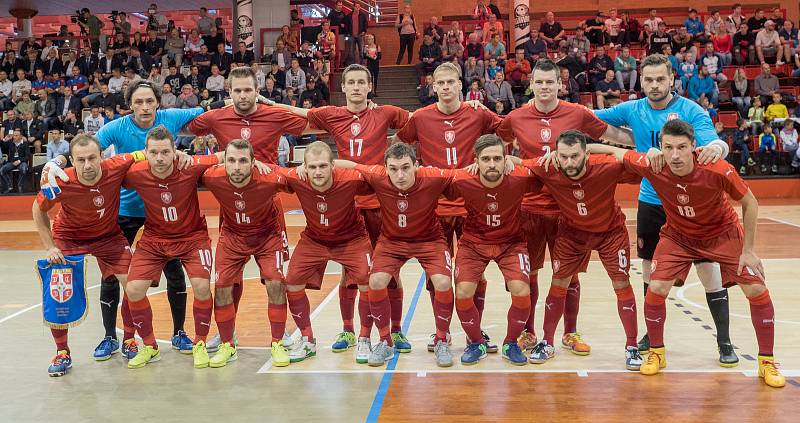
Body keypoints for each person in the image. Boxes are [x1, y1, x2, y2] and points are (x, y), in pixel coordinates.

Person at [590, 119, 785, 388]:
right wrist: (568, 150)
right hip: (678, 236)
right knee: (656, 287)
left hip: (722, 233)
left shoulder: (716, 168)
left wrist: (749, 250)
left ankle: (767, 362)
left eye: (682, 147)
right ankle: (657, 353)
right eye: (668, 147)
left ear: (694, 146)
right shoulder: (654, 164)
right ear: (659, 148)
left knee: (756, 290)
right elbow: (615, 152)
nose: (675, 154)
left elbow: (750, 202)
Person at [593, 54, 735, 363]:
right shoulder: (632, 109)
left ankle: (724, 341)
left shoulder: (691, 111)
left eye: (660, 79)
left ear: (672, 79)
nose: (655, 85)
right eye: (648, 80)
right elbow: (590, 117)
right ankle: (651, 334)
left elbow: (714, 144)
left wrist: (716, 148)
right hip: (652, 201)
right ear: (640, 81)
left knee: (708, 271)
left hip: (692, 205)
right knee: (649, 270)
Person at [270, 64, 413, 354]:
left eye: (362, 82)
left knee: (389, 272)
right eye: (352, 82)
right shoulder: (333, 115)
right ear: (343, 87)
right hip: (348, 201)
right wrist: (270, 103)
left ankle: (395, 330)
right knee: (352, 274)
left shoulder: (384, 112)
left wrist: (395, 143)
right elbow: (301, 114)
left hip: (381, 203)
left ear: (369, 86)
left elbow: (420, 120)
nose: (357, 87)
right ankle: (350, 331)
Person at [497, 58, 633, 353]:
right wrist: (504, 156)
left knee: (568, 276)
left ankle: (569, 333)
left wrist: (651, 140)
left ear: (560, 85)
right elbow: (495, 140)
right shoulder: (516, 117)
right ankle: (528, 332)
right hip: (530, 208)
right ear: (531, 85)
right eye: (540, 82)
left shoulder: (578, 113)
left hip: (567, 210)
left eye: (551, 82)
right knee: (529, 274)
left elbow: (613, 135)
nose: (545, 87)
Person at [508, 130, 643, 369]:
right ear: (555, 155)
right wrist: (508, 158)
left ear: (586, 154)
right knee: (559, 282)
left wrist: (619, 150)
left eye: (574, 156)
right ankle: (547, 342)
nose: (569, 162)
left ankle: (631, 347)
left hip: (610, 233)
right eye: (563, 157)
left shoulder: (607, 166)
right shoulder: (549, 166)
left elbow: (643, 163)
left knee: (621, 285)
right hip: (572, 235)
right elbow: (519, 162)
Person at [394, 62, 503, 352]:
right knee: (436, 275)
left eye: (450, 82)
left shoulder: (478, 113)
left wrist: (506, 158)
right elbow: (398, 145)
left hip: (472, 207)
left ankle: (474, 332)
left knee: (475, 274)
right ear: (433, 87)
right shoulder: (420, 118)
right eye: (439, 83)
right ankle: (441, 331)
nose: (444, 87)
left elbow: (505, 131)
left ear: (460, 85)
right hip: (434, 208)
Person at [336, 143, 458, 367]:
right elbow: (350, 164)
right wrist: (309, 166)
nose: (399, 175)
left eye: (405, 168)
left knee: (442, 282)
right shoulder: (378, 176)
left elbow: (465, 172)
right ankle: (385, 341)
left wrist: (509, 161)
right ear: (385, 168)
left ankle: (442, 339)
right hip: (391, 241)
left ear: (416, 166)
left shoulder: (433, 177)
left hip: (429, 240)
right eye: (393, 169)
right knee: (375, 280)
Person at [32, 135, 143, 376]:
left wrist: (178, 154)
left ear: (102, 156)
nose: (88, 165)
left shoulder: (117, 165)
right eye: (81, 160)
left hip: (109, 237)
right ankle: (62, 352)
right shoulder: (61, 180)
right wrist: (50, 246)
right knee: (57, 291)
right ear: (72, 161)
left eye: (92, 158)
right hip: (68, 237)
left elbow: (143, 153)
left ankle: (129, 340)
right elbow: (37, 209)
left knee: (133, 285)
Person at [120, 126, 224, 369]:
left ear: (175, 151)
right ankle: (150, 346)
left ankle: (199, 343)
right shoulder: (136, 173)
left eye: (165, 152)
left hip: (192, 237)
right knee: (134, 290)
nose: (159, 158)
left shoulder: (191, 166)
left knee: (200, 286)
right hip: (155, 238)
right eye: (154, 152)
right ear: (145, 152)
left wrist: (261, 164)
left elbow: (223, 155)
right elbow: (105, 172)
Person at [278, 141, 379, 364]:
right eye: (312, 167)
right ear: (303, 167)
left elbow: (377, 174)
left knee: (366, 281)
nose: (317, 172)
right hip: (315, 239)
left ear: (333, 166)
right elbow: (268, 171)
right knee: (292, 281)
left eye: (323, 166)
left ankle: (363, 338)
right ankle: (307, 339)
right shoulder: (297, 178)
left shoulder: (350, 179)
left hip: (352, 238)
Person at [199, 139, 290, 367]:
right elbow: (187, 168)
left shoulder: (271, 177)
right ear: (224, 162)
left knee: (276, 284)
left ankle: (277, 342)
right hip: (232, 236)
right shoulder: (212, 177)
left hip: (267, 235)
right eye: (231, 160)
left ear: (253, 163)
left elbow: (301, 176)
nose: (237, 167)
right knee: (222, 289)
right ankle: (228, 344)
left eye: (243, 161)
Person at [444, 135, 533, 366]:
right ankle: (476, 343)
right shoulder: (462, 179)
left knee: (522, 289)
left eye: (497, 158)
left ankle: (511, 343)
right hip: (474, 243)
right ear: (476, 161)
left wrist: (518, 161)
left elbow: (549, 164)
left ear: (506, 160)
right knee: (463, 291)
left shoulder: (520, 177)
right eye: (486, 159)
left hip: (511, 243)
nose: (492, 164)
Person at [0, 128, 30, 193]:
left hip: (22, 162)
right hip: (12, 162)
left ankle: (20, 185)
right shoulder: (10, 143)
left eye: (16, 135)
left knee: (24, 169)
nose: (14, 137)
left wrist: (19, 161)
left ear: (21, 136)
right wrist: (5, 139)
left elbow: (27, 156)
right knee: (2, 170)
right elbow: (1, 145)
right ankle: (9, 185)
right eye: (14, 135)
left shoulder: (25, 144)